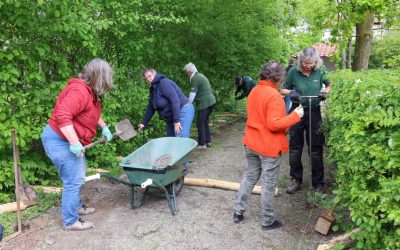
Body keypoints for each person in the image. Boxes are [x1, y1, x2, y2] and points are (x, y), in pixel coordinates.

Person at [41, 58, 115, 230]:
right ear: (99, 77)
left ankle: (76, 207)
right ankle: (70, 221)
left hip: (66, 139)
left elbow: (92, 114)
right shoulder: (79, 91)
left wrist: (104, 127)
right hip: (59, 140)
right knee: (73, 180)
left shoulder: (89, 93)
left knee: (78, 175)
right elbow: (62, 116)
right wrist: (74, 143)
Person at [233, 61, 304, 230]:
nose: (282, 82)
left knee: (249, 177)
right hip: (268, 147)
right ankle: (267, 220)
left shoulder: (255, 90)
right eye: (282, 78)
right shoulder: (273, 96)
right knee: (268, 183)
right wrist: (296, 115)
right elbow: (274, 124)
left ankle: (238, 211)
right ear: (277, 78)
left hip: (251, 143)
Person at [280, 47, 331, 195]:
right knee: (295, 146)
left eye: (311, 63)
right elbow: (282, 89)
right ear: (301, 61)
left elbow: (328, 85)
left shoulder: (320, 70)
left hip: (314, 110)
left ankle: (318, 182)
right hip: (297, 110)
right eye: (306, 64)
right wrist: (292, 93)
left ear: (316, 61)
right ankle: (295, 179)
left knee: (316, 148)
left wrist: (324, 93)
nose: (308, 66)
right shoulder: (293, 72)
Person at [138, 68, 195, 138]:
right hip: (171, 117)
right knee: (170, 140)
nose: (148, 79)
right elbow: (151, 107)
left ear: (154, 74)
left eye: (149, 76)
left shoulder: (164, 83)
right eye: (146, 78)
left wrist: (177, 121)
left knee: (181, 138)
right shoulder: (153, 90)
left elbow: (175, 101)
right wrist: (144, 123)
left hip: (183, 110)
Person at [183, 63, 216, 150]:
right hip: (212, 101)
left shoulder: (194, 78)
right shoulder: (201, 75)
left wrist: (188, 104)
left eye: (186, 72)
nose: (186, 74)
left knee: (200, 123)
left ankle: (202, 144)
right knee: (205, 122)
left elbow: (193, 93)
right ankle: (208, 141)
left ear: (189, 71)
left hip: (204, 103)